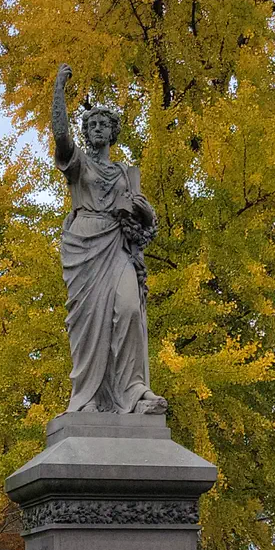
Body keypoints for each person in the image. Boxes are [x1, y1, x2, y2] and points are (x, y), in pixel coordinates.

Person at [51, 63, 167, 414]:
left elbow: (144, 225)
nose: (97, 128)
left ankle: (133, 391)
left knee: (129, 309)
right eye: (92, 125)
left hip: (117, 246)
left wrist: (143, 210)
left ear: (114, 132)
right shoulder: (79, 165)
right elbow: (60, 135)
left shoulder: (125, 173)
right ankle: (88, 398)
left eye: (104, 124)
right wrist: (59, 89)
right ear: (86, 132)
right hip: (84, 245)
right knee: (90, 323)